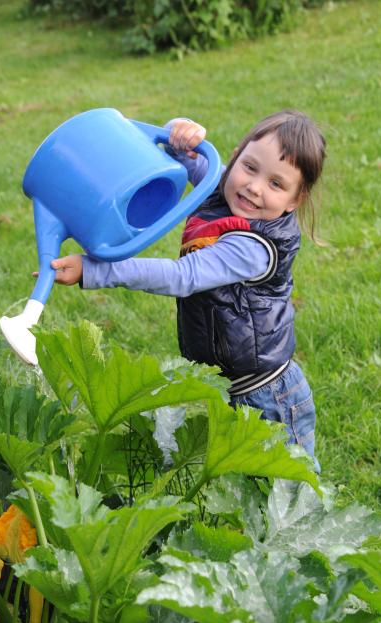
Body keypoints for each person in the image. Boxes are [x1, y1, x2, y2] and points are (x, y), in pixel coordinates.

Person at [42, 110, 326, 471]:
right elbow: (183, 154)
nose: (254, 187)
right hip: (232, 388)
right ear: (236, 155)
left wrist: (97, 270)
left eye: (276, 184)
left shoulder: (255, 247)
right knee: (245, 489)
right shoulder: (227, 190)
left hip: (268, 395)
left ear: (294, 200)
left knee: (291, 490)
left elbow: (182, 276)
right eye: (250, 167)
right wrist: (181, 131)